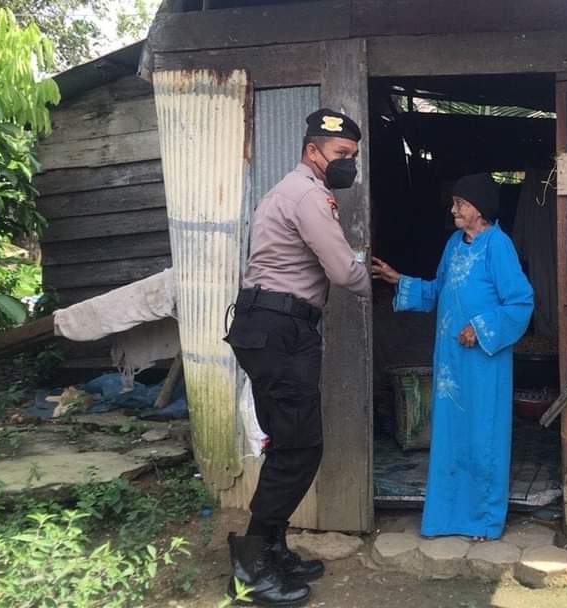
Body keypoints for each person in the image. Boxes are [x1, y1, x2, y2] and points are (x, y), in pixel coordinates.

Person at [223, 109, 370, 606]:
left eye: (353, 156)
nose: (349, 164)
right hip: (280, 330)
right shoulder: (308, 195)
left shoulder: (286, 189)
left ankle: (272, 549)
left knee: (288, 444)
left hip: (266, 327)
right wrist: (376, 278)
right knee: (301, 448)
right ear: (313, 151)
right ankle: (250, 566)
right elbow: (343, 272)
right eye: (341, 154)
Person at [372, 173, 533, 540]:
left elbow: (520, 302)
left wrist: (480, 327)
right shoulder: (454, 245)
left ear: (480, 207)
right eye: (454, 203)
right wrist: (400, 280)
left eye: (461, 203)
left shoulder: (498, 246)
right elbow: (438, 291)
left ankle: (483, 520)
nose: (453, 209)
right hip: (450, 363)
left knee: (482, 434)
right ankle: (445, 518)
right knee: (450, 436)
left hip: (484, 361)